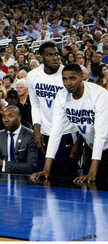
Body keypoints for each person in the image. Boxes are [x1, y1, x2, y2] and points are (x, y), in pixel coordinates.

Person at [31, 63, 108, 185]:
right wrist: (46, 170)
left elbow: (101, 135)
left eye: (72, 78)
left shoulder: (99, 94)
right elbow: (55, 132)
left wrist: (93, 173)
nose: (68, 83)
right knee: (91, 192)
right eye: (64, 79)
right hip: (92, 148)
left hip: (103, 144)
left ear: (82, 77)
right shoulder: (61, 96)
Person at [27, 41, 79, 178]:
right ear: (41, 58)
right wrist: (36, 130)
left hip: (67, 132)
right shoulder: (32, 76)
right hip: (44, 133)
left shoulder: (68, 75)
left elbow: (78, 107)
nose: (55, 57)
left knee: (68, 179)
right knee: (44, 177)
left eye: (56, 54)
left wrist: (78, 140)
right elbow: (35, 105)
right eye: (50, 55)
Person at [0, 105, 38, 174]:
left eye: (10, 116)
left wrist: (3, 164)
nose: (6, 120)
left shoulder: (30, 135)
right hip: (2, 179)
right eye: (3, 117)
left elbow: (31, 166)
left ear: (19, 118)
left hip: (24, 179)